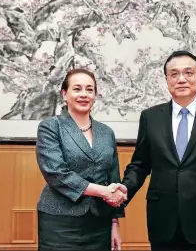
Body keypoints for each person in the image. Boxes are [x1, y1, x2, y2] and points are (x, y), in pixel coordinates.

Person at [111, 50, 196, 251]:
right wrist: (125, 188)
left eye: (188, 73)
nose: (181, 79)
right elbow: (140, 164)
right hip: (162, 217)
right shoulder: (150, 117)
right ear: (166, 79)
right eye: (174, 74)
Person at [35, 68, 127, 251]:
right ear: (64, 94)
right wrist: (103, 191)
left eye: (89, 89)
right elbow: (56, 173)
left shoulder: (106, 132)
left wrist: (115, 224)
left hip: (99, 222)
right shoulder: (51, 127)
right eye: (77, 89)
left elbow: (113, 177)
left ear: (95, 95)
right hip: (60, 222)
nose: (84, 94)